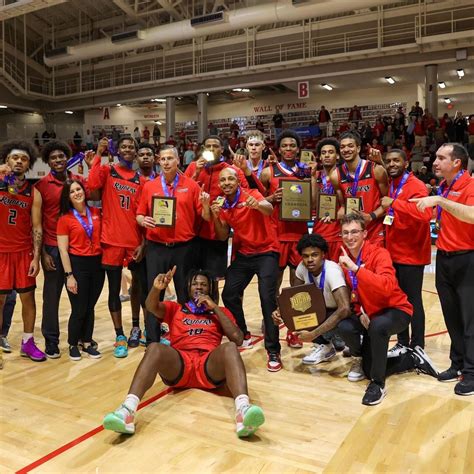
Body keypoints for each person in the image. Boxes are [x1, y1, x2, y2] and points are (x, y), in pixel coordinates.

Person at [103, 267, 265, 438]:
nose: (199, 287)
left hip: (207, 366)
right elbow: (151, 306)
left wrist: (215, 308)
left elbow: (238, 338)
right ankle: (127, 410)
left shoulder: (220, 312)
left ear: (210, 289)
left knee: (230, 348)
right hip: (180, 364)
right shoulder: (176, 309)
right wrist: (157, 289)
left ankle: (243, 411)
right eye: (195, 283)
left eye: (203, 284)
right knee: (154, 347)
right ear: (188, 287)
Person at [334, 214, 438, 405]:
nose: (350, 237)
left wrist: (357, 269)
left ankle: (377, 384)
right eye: (346, 233)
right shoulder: (344, 258)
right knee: (345, 327)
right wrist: (360, 312)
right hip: (370, 313)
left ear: (365, 233)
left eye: (355, 231)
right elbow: (354, 293)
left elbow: (387, 286)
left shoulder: (379, 254)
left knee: (378, 327)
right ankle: (410, 359)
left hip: (396, 310)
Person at [203, 167, 282, 371]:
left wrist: (258, 205)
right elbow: (222, 236)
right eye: (223, 180)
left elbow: (269, 208)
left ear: (238, 181)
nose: (227, 183)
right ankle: (243, 333)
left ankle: (273, 350)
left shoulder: (250, 194)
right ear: (219, 184)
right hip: (245, 254)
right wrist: (217, 217)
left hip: (267, 251)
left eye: (231, 179)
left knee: (267, 298)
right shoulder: (220, 202)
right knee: (229, 294)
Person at [411, 144, 474, 395]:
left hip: (468, 259)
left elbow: (471, 215)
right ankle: (457, 364)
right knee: (452, 318)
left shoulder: (470, 185)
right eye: (434, 157)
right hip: (445, 259)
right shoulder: (447, 186)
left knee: (470, 320)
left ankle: (471, 373)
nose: (434, 162)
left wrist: (439, 200)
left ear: (457, 163)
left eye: (440, 158)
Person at [137, 146, 205, 343]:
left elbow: (202, 214)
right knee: (154, 293)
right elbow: (140, 214)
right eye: (163, 159)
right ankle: (152, 340)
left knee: (185, 293)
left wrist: (209, 205)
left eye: (170, 159)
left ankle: (185, 336)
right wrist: (143, 221)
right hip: (157, 247)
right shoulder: (149, 186)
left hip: (184, 248)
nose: (166, 162)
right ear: (159, 162)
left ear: (178, 161)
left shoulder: (191, 185)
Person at [259, 130, 317, 349]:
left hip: (299, 236)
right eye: (285, 146)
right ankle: (271, 322)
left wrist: (312, 177)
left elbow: (312, 203)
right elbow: (259, 202)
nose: (289, 149)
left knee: (296, 286)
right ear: (279, 149)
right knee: (272, 286)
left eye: (293, 146)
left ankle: (294, 330)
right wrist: (271, 198)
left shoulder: (304, 172)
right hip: (275, 235)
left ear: (298, 149)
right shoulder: (268, 172)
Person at [88, 136, 144, 358]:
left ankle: (136, 327)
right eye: (124, 146)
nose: (128, 149)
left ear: (136, 151)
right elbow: (92, 186)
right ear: (118, 150)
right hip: (111, 241)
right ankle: (119, 334)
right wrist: (99, 154)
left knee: (138, 289)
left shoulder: (141, 180)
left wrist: (143, 243)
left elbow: (144, 212)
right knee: (113, 291)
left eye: (131, 147)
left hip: (134, 243)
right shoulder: (108, 171)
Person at [35, 140, 89, 358]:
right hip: (52, 248)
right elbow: (36, 222)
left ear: (68, 158)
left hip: (75, 247)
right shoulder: (41, 185)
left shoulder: (77, 182)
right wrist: (43, 254)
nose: (58, 160)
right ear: (48, 161)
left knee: (79, 296)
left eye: (61, 156)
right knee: (51, 297)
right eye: (53, 157)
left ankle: (78, 337)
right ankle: (51, 340)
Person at [380, 149, 432, 353]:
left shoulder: (416, 185)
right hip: (393, 253)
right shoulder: (391, 184)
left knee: (413, 300)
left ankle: (418, 344)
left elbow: (426, 214)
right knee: (398, 300)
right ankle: (402, 342)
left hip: (412, 254)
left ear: (406, 162)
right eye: (388, 161)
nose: (392, 164)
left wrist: (394, 203)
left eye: (396, 160)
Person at [272, 234, 351, 365]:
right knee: (300, 311)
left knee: (347, 328)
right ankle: (326, 346)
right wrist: (279, 311)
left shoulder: (332, 271)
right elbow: (292, 297)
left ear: (323, 254)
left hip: (342, 314)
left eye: (314, 255)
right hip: (322, 310)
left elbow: (345, 309)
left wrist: (313, 334)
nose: (309, 259)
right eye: (305, 256)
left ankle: (352, 342)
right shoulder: (302, 267)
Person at [0, 141, 45, 367]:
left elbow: (37, 227)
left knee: (28, 298)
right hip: (0, 253)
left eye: (24, 159)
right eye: (14, 157)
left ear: (29, 164)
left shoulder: (33, 192)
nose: (19, 161)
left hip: (23, 253)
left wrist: (36, 257)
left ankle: (28, 342)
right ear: (7, 159)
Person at [184, 135, 251, 279]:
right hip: (193, 233)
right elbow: (181, 193)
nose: (212, 149)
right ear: (203, 149)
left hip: (217, 233)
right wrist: (196, 173)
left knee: (214, 280)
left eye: (215, 146)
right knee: (191, 279)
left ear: (222, 149)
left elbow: (245, 194)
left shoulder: (232, 171)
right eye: (208, 146)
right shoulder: (192, 167)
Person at [57, 180, 104, 361]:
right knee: (79, 308)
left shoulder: (96, 212)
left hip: (97, 265)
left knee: (90, 306)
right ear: (67, 197)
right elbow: (63, 250)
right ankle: (72, 343)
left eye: (78, 189)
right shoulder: (65, 219)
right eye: (72, 191)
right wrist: (69, 276)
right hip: (77, 265)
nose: (77, 193)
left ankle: (86, 341)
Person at [330, 131, 388, 247]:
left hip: (375, 231)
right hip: (353, 234)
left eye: (350, 146)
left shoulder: (376, 169)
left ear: (358, 148)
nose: (346, 150)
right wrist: (332, 214)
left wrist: (371, 216)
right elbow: (343, 206)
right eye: (342, 147)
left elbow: (388, 202)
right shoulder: (336, 175)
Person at [313, 138, 343, 261]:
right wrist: (312, 177)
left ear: (337, 156)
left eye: (331, 152)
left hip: (339, 231)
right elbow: (313, 204)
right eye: (323, 153)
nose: (327, 155)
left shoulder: (345, 175)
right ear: (319, 157)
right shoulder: (315, 175)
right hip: (319, 230)